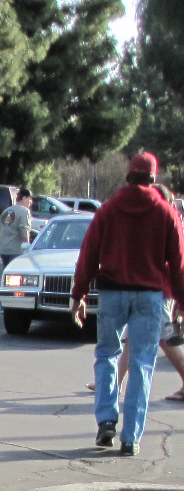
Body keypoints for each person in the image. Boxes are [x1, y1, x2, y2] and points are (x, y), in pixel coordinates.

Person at [72, 151, 184, 456]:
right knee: (141, 364)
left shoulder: (108, 210)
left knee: (107, 354)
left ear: (127, 176)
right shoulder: (165, 212)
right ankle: (131, 438)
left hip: (112, 293)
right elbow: (178, 262)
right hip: (149, 295)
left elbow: (89, 253)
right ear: (153, 179)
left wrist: (78, 293)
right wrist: (181, 303)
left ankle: (106, 421)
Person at [0, 188, 33, 266]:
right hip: (16, 251)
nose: (31, 202)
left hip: (4, 250)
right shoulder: (24, 211)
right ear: (24, 198)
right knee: (16, 275)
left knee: (7, 274)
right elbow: (24, 230)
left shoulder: (7, 211)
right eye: (30, 199)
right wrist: (27, 247)